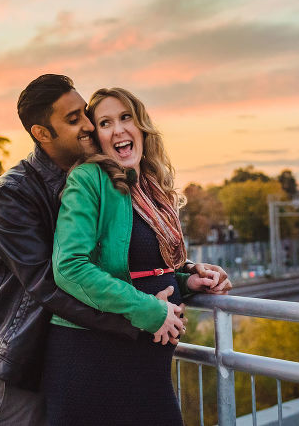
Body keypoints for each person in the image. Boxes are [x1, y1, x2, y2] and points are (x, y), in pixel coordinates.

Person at [0, 75, 229, 426]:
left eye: (85, 114)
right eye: (74, 119)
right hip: (23, 359)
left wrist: (184, 279)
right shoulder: (15, 193)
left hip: (104, 353)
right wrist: (141, 315)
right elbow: (52, 282)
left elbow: (118, 259)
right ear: (41, 133)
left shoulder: (115, 181)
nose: (89, 126)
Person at [45, 87, 230, 426]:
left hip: (145, 359)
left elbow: (142, 270)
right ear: (96, 137)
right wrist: (149, 308)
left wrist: (187, 281)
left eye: (125, 117)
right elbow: (69, 267)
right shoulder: (89, 180)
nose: (118, 130)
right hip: (95, 356)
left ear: (141, 126)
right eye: (105, 122)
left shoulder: (151, 186)